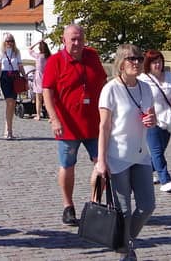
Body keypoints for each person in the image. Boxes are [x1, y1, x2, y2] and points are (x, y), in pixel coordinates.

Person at [95, 44, 156, 261]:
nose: (137, 63)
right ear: (121, 63)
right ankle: (126, 252)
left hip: (141, 155)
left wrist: (152, 120)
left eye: (140, 59)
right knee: (124, 211)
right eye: (132, 59)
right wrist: (101, 161)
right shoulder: (110, 89)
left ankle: (124, 240)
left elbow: (151, 117)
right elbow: (104, 127)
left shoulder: (146, 88)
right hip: (117, 157)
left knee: (147, 206)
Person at [42, 24, 108, 226]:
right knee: (67, 165)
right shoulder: (55, 61)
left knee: (101, 165)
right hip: (67, 125)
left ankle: (95, 203)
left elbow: (104, 84)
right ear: (64, 40)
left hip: (94, 124)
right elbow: (47, 92)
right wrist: (54, 119)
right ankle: (68, 206)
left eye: (80, 39)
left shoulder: (92, 56)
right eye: (73, 39)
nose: (77, 43)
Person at [138, 50, 171, 193]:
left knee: (160, 150)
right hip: (152, 119)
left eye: (159, 61)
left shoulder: (169, 76)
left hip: (168, 119)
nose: (157, 65)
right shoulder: (143, 79)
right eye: (154, 62)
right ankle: (166, 180)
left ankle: (143, 172)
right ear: (148, 64)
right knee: (157, 151)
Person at [0, 34, 24, 139]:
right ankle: (8, 130)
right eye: (7, 41)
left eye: (11, 41)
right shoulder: (1, 52)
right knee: (9, 102)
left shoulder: (17, 52)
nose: (9, 43)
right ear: (4, 42)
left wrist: (25, 77)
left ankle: (9, 128)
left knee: (12, 104)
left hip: (15, 77)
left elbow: (20, 66)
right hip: (5, 77)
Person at [29, 40, 52, 121]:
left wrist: (37, 42)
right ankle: (50, 116)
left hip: (38, 77)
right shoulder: (49, 56)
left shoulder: (38, 56)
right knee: (47, 98)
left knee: (38, 98)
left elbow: (30, 49)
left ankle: (38, 115)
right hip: (47, 76)